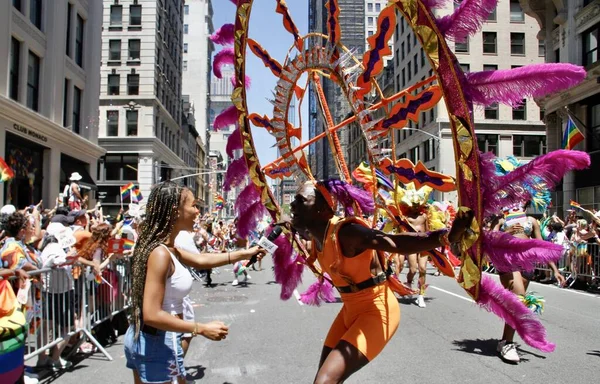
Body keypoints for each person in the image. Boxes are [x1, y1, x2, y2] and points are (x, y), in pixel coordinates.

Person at [289, 180, 472, 383]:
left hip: (377, 312)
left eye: (300, 200)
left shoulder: (346, 233)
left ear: (322, 209)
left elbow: (396, 242)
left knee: (324, 380)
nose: (292, 205)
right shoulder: (317, 235)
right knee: (327, 377)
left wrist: (447, 237)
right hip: (349, 311)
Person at [124, 181, 266, 384]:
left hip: (147, 339)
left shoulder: (166, 247)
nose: (197, 211)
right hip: (157, 342)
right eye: (193, 205)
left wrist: (246, 252)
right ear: (176, 211)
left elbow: (201, 260)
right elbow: (152, 314)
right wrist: (200, 328)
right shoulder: (160, 253)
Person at [493, 204, 566, 363]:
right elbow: (488, 240)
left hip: (526, 265)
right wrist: (504, 233)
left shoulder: (532, 221)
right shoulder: (502, 218)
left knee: (515, 305)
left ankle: (504, 341)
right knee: (519, 300)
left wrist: (555, 270)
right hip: (507, 262)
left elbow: (541, 246)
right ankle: (509, 344)